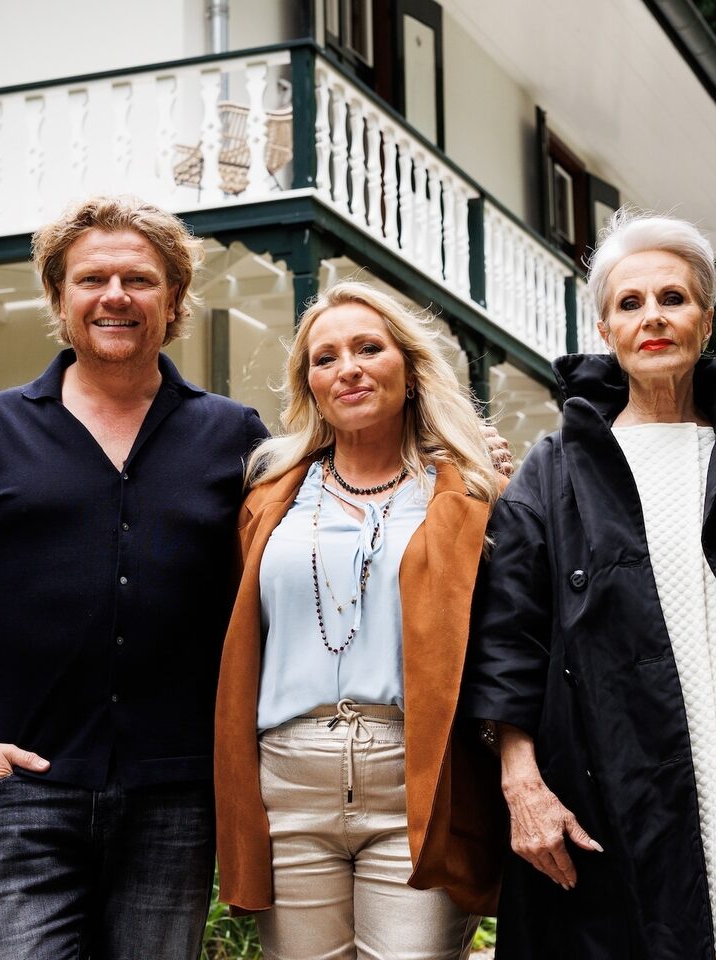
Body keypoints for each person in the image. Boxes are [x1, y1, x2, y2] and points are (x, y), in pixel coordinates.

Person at [0, 196, 271, 959]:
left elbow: (306, 555)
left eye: (139, 279)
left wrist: (453, 460)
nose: (115, 296)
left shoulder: (234, 436)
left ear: (174, 298)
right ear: (58, 297)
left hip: (175, 799)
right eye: (92, 279)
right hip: (23, 791)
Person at [464, 210, 716, 959]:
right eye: (630, 303)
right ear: (606, 329)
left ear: (706, 321)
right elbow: (506, 640)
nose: (652, 316)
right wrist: (522, 784)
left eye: (672, 298)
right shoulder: (554, 470)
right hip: (604, 788)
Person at [212, 280, 508, 960]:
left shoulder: (467, 493)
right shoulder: (267, 499)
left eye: (368, 349)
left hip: (416, 777)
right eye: (326, 358)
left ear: (410, 369)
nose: (347, 368)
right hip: (287, 780)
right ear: (310, 386)